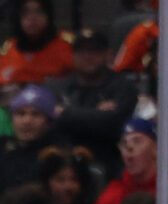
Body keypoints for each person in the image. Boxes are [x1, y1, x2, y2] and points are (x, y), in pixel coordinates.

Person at [53, 27, 141, 159]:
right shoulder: (60, 87)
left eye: (95, 51)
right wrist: (98, 114)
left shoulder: (123, 87)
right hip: (68, 159)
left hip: (111, 159)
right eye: (81, 51)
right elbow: (54, 125)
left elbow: (113, 124)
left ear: (108, 54)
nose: (88, 56)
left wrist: (67, 113)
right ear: (73, 55)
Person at [0, 0, 72, 88]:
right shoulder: (9, 48)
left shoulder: (65, 45)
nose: (32, 17)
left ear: (48, 16)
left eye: (39, 11)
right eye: (25, 12)